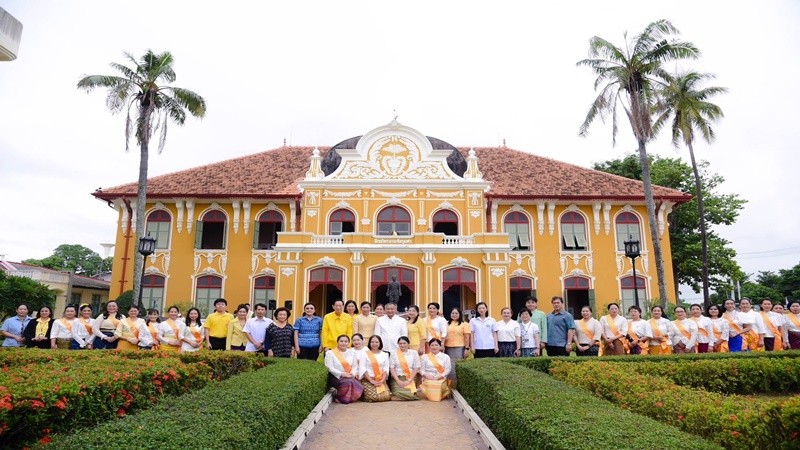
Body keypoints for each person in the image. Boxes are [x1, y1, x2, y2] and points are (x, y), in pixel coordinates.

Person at [324, 334, 363, 404]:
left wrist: (352, 374)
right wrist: (342, 374)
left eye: (346, 341)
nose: (343, 343)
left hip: (350, 375)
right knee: (348, 383)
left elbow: (355, 366)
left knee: (359, 386)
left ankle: (349, 397)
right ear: (337, 342)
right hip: (336, 376)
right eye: (341, 341)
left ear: (348, 343)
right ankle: (341, 398)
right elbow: (329, 367)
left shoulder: (352, 352)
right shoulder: (330, 353)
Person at [359, 335, 391, 402]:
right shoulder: (364, 354)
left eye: (376, 342)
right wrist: (371, 380)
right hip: (368, 379)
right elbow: (362, 368)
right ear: (369, 343)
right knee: (372, 397)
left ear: (380, 343)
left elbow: (386, 368)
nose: (374, 344)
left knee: (386, 397)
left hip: (380, 380)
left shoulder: (385, 354)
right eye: (372, 342)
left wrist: (382, 380)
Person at [390, 336, 419, 401]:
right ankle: (400, 396)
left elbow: (416, 367)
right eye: (400, 343)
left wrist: (409, 380)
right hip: (397, 377)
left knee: (411, 394)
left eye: (404, 343)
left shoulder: (414, 353)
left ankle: (400, 397)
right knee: (397, 392)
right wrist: (398, 380)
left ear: (408, 343)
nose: (402, 345)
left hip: (409, 377)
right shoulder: (394, 353)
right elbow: (392, 368)